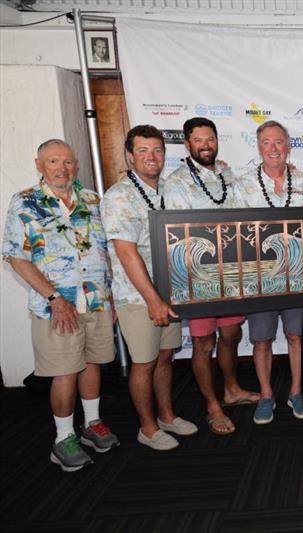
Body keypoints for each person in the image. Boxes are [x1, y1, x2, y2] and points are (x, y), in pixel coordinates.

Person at [2, 139, 119, 471]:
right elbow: (15, 257)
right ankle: (62, 438)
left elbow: (105, 252)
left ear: (76, 164)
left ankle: (91, 424)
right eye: (53, 161)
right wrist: (54, 298)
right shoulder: (25, 203)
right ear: (40, 165)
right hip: (55, 305)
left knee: (93, 363)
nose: (61, 168)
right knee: (65, 372)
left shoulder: (93, 201)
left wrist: (109, 298)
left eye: (67, 162)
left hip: (95, 300)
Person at [101, 125, 198, 451]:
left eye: (157, 150)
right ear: (130, 156)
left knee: (165, 357)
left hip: (170, 291)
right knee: (143, 362)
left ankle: (167, 415)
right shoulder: (119, 197)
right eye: (142, 151)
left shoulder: (166, 190)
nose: (151, 157)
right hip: (138, 297)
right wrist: (153, 300)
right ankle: (147, 426)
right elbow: (126, 254)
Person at [163, 117, 259, 435]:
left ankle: (231, 389)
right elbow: (180, 231)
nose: (206, 145)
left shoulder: (228, 174)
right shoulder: (176, 182)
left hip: (230, 272)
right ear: (187, 144)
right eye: (199, 140)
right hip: (197, 275)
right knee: (203, 342)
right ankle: (212, 406)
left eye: (211, 139)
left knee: (231, 334)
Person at [234, 120, 303, 424]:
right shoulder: (244, 184)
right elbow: (233, 230)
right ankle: (266, 395)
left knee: (296, 335)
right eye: (266, 142)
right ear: (259, 146)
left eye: (278, 142)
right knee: (261, 340)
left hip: (297, 272)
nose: (273, 148)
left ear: (287, 146)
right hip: (259, 275)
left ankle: (296, 391)